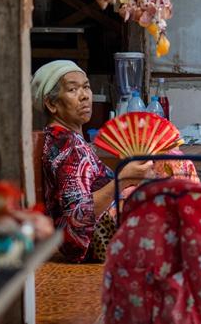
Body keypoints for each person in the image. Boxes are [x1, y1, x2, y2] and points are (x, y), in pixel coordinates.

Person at [32, 60, 155, 262]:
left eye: (86, 87)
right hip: (95, 244)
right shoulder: (67, 147)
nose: (85, 96)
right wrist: (123, 180)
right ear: (51, 104)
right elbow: (76, 218)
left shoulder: (72, 140)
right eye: (72, 89)